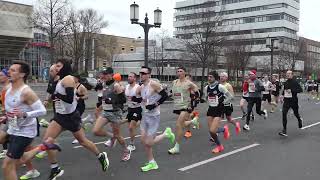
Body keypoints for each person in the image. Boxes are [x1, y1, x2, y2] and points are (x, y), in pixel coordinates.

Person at [41, 59, 109, 179]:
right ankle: (55, 168)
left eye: (58, 66)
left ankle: (101, 156)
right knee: (47, 141)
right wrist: (51, 98)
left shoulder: (68, 79)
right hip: (60, 116)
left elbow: (68, 98)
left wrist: (57, 96)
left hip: (71, 117)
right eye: (55, 66)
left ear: (65, 67)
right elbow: (57, 95)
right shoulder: (59, 80)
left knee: (83, 141)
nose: (55, 68)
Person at [0, 61, 48, 180]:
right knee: (17, 161)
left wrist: (24, 114)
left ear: (22, 74)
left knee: (7, 165)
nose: (9, 72)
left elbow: (43, 111)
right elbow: (12, 108)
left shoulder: (26, 92)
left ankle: (41, 148)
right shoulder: (8, 89)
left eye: (13, 70)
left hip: (25, 132)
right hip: (13, 128)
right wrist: (6, 117)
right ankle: (41, 147)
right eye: (9, 70)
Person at [138, 66, 175, 172]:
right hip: (145, 116)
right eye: (140, 73)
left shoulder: (153, 84)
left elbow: (164, 95)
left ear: (149, 75)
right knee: (143, 141)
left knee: (148, 143)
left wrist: (154, 105)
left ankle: (165, 134)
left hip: (154, 117)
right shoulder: (141, 86)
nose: (141, 74)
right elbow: (143, 99)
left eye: (144, 73)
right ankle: (151, 162)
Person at [92, 67, 131, 161]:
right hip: (105, 112)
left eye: (105, 74)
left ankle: (126, 150)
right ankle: (112, 137)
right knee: (96, 131)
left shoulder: (116, 86)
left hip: (115, 113)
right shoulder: (103, 84)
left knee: (118, 135)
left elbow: (123, 100)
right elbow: (104, 96)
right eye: (102, 74)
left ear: (111, 74)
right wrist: (100, 102)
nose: (103, 76)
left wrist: (112, 101)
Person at [168, 67, 199, 155]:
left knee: (178, 125)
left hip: (186, 106)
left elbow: (197, 92)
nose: (179, 72)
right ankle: (193, 121)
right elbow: (172, 92)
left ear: (185, 73)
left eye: (181, 71)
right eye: (177, 71)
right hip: (177, 106)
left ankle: (176, 147)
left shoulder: (189, 83)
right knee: (182, 124)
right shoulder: (174, 82)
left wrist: (195, 100)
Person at [205, 71, 232, 153]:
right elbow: (207, 98)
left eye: (211, 77)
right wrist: (208, 104)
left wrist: (223, 102)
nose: (209, 78)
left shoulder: (220, 87)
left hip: (219, 109)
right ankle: (224, 129)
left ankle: (220, 146)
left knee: (213, 130)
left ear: (215, 78)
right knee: (211, 131)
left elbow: (230, 96)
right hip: (210, 109)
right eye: (208, 76)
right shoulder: (206, 87)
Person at [279, 70, 303, 137]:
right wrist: (282, 96)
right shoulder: (285, 83)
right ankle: (284, 130)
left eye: (289, 74)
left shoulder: (295, 82)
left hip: (293, 101)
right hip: (286, 101)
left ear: (292, 75)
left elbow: (300, 90)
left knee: (296, 113)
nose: (288, 75)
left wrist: (292, 90)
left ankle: (299, 119)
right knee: (284, 113)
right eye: (287, 74)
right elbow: (284, 90)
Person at [125, 72, 142, 151]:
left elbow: (143, 99)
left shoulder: (138, 87)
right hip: (130, 109)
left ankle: (132, 144)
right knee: (130, 128)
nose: (129, 78)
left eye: (131, 76)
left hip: (137, 109)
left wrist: (134, 99)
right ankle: (141, 121)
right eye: (128, 76)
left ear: (135, 78)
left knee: (131, 127)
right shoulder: (127, 87)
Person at [71, 74, 89, 144]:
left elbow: (87, 96)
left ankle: (79, 138)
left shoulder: (81, 87)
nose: (73, 79)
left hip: (80, 105)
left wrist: (80, 98)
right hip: (73, 105)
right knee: (75, 120)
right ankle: (86, 123)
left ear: (77, 79)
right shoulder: (72, 85)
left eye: (74, 78)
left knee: (76, 120)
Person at [184, 74, 200, 138]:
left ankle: (188, 132)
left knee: (188, 117)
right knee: (190, 116)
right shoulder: (184, 85)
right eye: (186, 78)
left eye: (188, 78)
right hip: (185, 103)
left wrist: (196, 98)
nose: (186, 80)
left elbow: (198, 93)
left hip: (192, 102)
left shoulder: (193, 86)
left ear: (190, 79)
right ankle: (196, 121)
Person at [0, 68, 10, 159]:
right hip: (6, 117)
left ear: (7, 77)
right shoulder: (4, 89)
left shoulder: (10, 88)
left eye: (1, 75)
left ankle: (42, 148)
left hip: (13, 118)